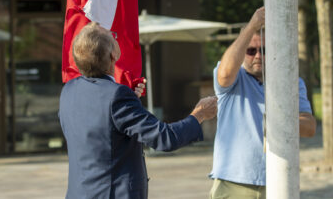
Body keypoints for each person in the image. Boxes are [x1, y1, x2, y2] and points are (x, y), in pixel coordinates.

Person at [59, 22, 217, 199]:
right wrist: (200, 114)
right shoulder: (117, 96)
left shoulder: (69, 90)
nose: (115, 37)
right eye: (113, 36)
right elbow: (165, 138)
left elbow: (99, 126)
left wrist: (129, 101)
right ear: (113, 55)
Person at [209, 7, 316, 199]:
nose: (258, 55)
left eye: (264, 50)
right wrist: (251, 27)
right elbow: (224, 74)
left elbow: (309, 128)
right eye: (251, 50)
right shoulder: (234, 79)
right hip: (233, 182)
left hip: (278, 181)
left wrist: (283, 124)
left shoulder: (291, 81)